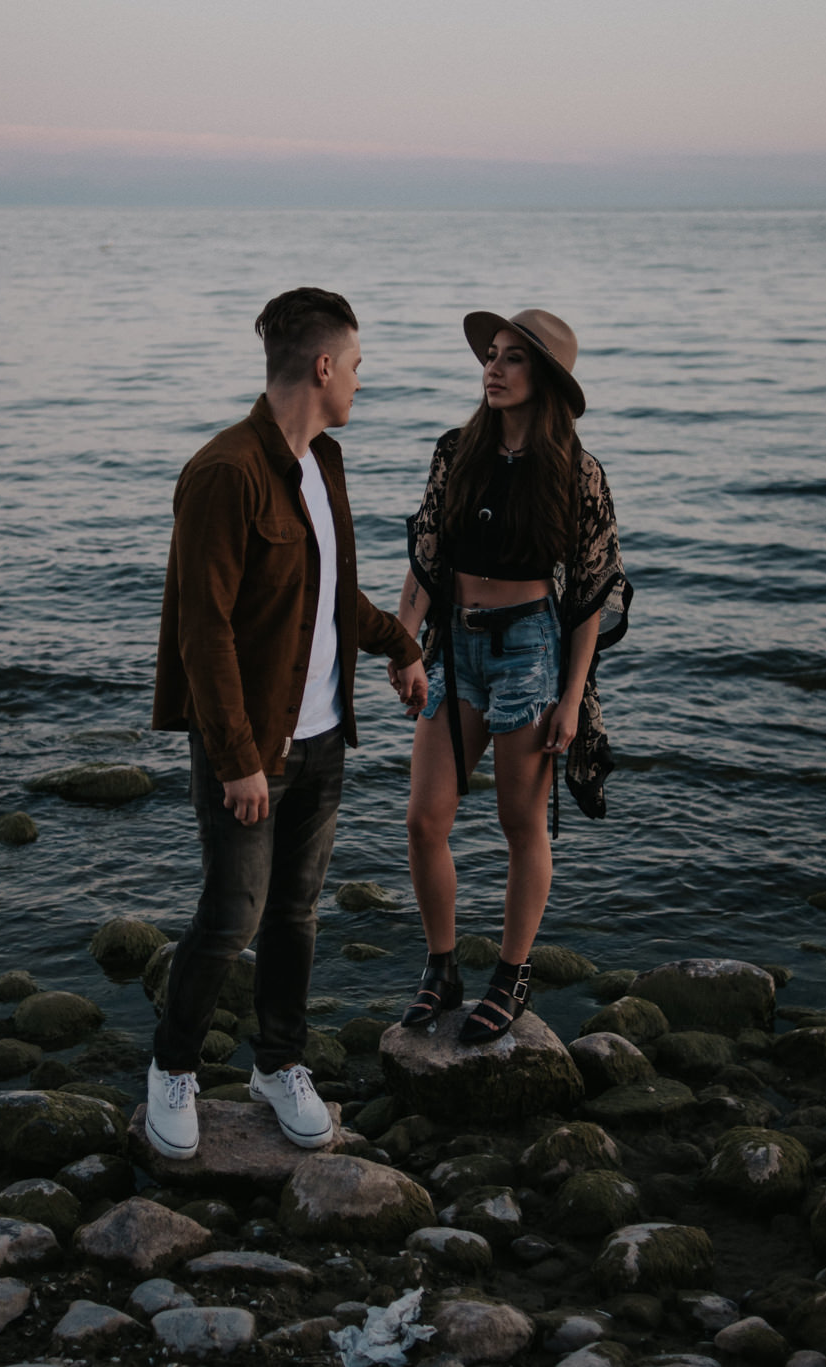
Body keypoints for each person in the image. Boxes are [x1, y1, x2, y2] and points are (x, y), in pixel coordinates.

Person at [147, 287, 428, 1160]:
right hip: (252, 748)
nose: (358, 380)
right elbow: (205, 629)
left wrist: (401, 646)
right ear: (321, 365)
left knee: (295, 915)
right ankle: (171, 1067)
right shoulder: (224, 471)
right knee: (231, 914)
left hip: (321, 737)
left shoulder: (323, 463)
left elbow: (332, 596)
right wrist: (236, 758)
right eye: (356, 365)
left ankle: (278, 1063)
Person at [391, 309, 632, 1044]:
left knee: (519, 823)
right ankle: (442, 967)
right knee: (425, 817)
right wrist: (404, 644)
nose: (492, 369)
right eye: (490, 357)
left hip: (530, 648)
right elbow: (427, 557)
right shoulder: (456, 451)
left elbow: (591, 592)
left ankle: (512, 972)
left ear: (546, 379)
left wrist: (570, 696)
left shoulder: (577, 473)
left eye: (512, 360)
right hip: (456, 645)